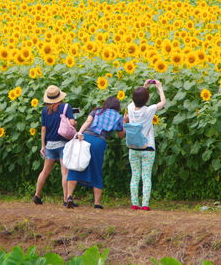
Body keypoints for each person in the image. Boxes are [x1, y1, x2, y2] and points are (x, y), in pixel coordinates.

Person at [66, 97, 125, 209]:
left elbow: (88, 122)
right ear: (117, 107)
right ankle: (97, 203)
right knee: (96, 168)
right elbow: (121, 135)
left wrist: (79, 132)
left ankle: (69, 196)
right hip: (99, 142)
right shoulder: (118, 117)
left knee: (76, 165)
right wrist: (125, 122)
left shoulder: (97, 111)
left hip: (85, 138)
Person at [33, 85, 77, 207]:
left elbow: (43, 129)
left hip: (50, 145)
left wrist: (43, 145)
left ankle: (37, 195)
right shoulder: (65, 107)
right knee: (65, 172)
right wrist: (74, 122)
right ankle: (66, 198)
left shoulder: (44, 111)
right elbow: (72, 122)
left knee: (45, 171)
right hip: (63, 144)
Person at [126, 79, 166, 211]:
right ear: (147, 99)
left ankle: (134, 203)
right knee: (146, 176)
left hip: (133, 147)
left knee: (135, 175)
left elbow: (135, 101)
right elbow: (163, 103)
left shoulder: (130, 108)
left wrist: (144, 87)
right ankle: (145, 204)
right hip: (147, 148)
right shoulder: (149, 110)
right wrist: (159, 87)